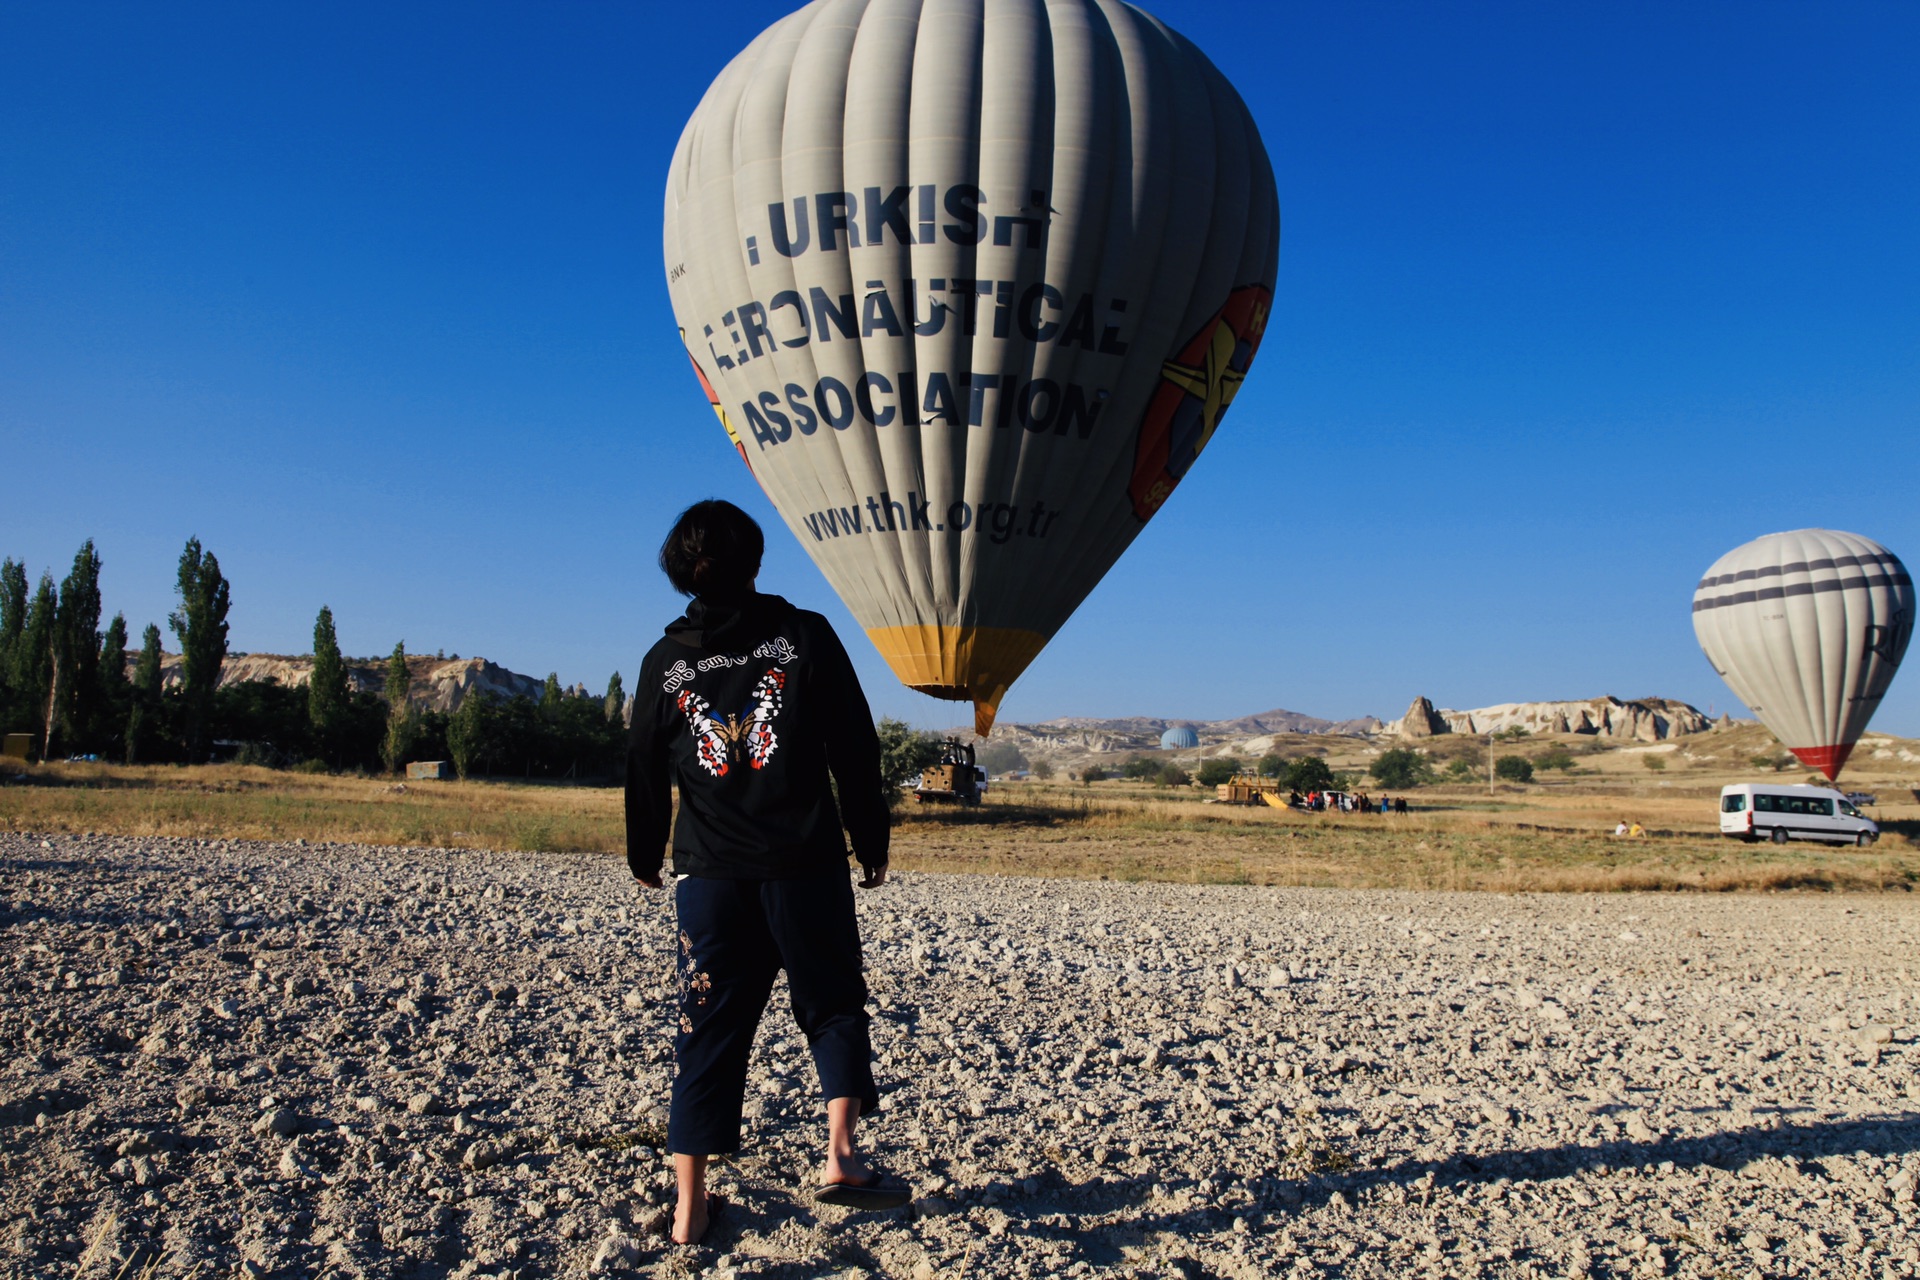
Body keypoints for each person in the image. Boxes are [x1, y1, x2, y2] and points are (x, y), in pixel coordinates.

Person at [626, 499, 909, 1246]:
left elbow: (644, 769)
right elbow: (855, 744)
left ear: (678, 571)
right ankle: (842, 1157)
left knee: (707, 1028)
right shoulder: (804, 635)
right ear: (756, 563)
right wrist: (869, 836)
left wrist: (644, 850)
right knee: (833, 1005)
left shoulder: (663, 662)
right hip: (806, 866)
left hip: (710, 880)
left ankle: (689, 1207)